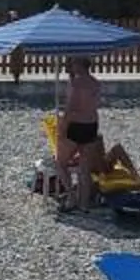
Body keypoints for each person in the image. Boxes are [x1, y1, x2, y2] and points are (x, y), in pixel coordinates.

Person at [56, 56, 107, 208]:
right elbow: (94, 105)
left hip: (76, 125)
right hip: (91, 124)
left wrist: (62, 129)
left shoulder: (75, 83)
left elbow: (71, 109)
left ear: (78, 65)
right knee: (84, 169)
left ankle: (71, 197)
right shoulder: (95, 83)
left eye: (72, 63)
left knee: (61, 163)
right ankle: (84, 204)